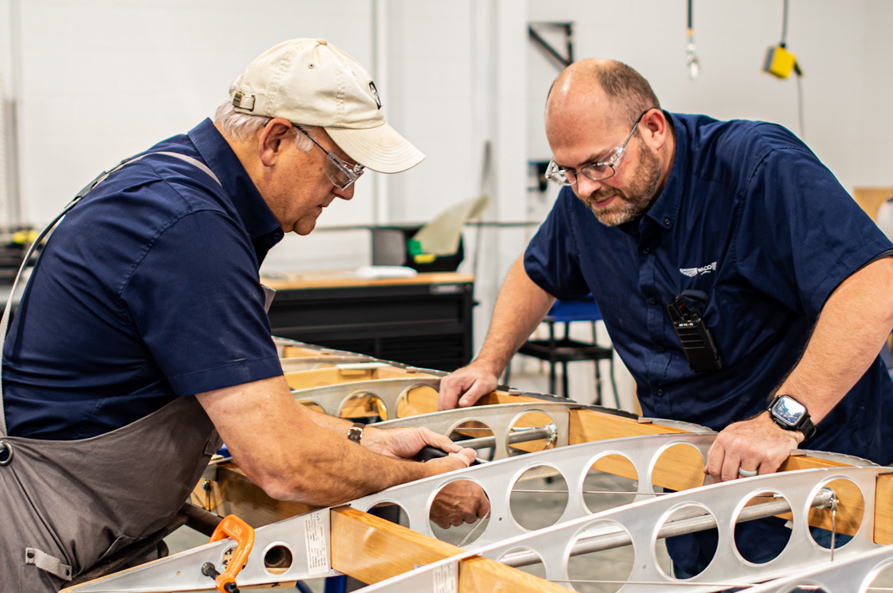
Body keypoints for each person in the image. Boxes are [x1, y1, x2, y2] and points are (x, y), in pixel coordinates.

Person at [0, 38, 487, 592]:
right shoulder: (188, 227)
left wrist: (365, 441)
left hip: (89, 531)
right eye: (341, 166)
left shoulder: (178, 187)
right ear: (276, 139)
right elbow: (282, 461)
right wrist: (422, 482)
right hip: (44, 546)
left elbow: (255, 413)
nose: (347, 193)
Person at [439, 58, 893, 574]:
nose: (584, 187)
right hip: (693, 466)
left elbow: (875, 284)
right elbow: (536, 271)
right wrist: (488, 361)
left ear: (652, 129)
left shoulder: (756, 168)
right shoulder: (590, 198)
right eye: (566, 172)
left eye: (598, 164)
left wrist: (783, 420)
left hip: (809, 461)